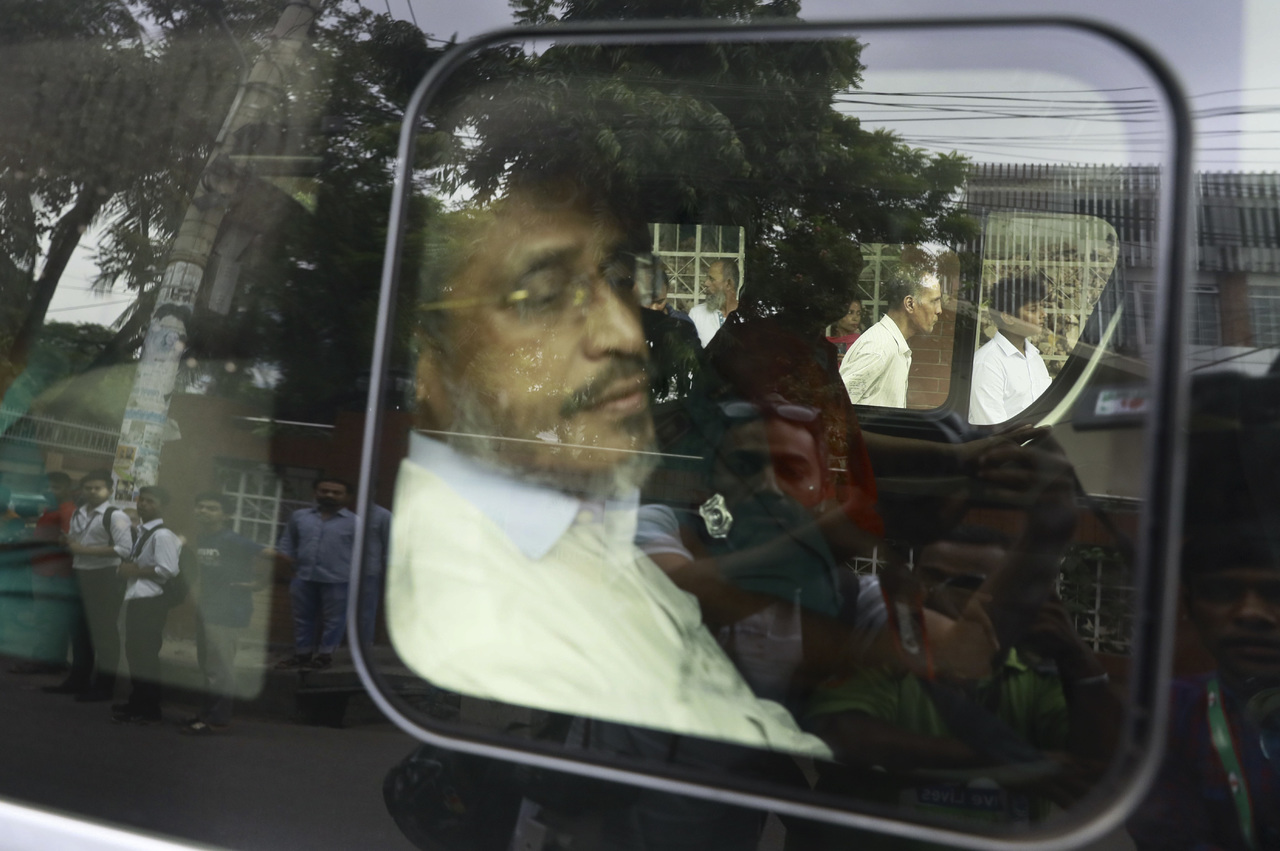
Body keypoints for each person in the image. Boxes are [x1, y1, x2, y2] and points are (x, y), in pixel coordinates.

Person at [387, 177, 829, 757]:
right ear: (433, 365)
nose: (625, 334)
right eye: (545, 297)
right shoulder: (481, 573)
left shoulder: (592, 523)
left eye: (620, 285)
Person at [806, 526, 1119, 831]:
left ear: (1012, 596)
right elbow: (846, 737)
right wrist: (1006, 761)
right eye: (931, 577)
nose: (939, 594)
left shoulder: (1033, 675)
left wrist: (1077, 659)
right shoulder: (885, 650)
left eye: (969, 583)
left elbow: (1096, 771)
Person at [1129, 369, 1280, 850]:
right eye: (1222, 591)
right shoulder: (1170, 713)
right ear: (1188, 604)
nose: (1251, 613)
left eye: (1276, 594)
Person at [45, 470, 134, 702]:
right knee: (79, 630)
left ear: (109, 491)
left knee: (104, 633)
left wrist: (85, 550)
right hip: (79, 574)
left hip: (105, 577)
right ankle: (78, 680)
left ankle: (104, 687)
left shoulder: (116, 516)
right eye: (88, 488)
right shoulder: (79, 512)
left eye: (98, 488)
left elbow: (125, 549)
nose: (93, 492)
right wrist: (67, 541)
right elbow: (75, 539)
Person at [183, 492, 265, 734]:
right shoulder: (204, 537)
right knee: (208, 666)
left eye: (212, 508)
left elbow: (267, 554)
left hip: (229, 612)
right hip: (208, 609)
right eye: (201, 506)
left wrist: (260, 583)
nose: (204, 511)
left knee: (220, 668)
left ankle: (218, 719)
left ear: (225, 515)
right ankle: (206, 713)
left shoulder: (232, 539)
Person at [112, 486, 182, 724]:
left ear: (162, 506)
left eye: (150, 501)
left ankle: (150, 709)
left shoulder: (162, 535)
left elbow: (168, 569)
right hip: (138, 598)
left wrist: (134, 571)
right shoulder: (144, 532)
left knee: (145, 656)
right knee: (135, 654)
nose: (143, 505)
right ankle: (137, 702)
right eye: (141, 500)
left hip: (152, 601)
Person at [274, 477, 357, 671]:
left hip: (338, 579)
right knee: (302, 617)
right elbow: (287, 542)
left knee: (334, 619)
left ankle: (325, 656)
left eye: (336, 492)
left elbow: (364, 552)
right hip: (302, 576)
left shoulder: (356, 523)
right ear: (315, 493)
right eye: (324, 491)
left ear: (347, 497)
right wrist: (286, 562)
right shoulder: (299, 517)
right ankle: (302, 654)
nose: (329, 495)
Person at [840, 267, 943, 407]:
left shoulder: (891, 345)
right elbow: (835, 406)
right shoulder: (879, 348)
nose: (939, 310)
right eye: (933, 301)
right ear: (910, 304)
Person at [11, 472, 77, 674]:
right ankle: (53, 661)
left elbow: (67, 542)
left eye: (56, 487)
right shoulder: (52, 508)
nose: (49, 491)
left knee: (47, 618)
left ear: (68, 489)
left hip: (53, 573)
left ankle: (43, 660)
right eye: (47, 487)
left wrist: (35, 542)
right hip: (43, 569)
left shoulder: (67, 511)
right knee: (50, 619)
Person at [968, 274, 1052, 425]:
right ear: (1008, 317)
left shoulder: (1034, 358)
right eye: (1033, 309)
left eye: (1041, 307)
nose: (1043, 314)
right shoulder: (987, 363)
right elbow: (992, 428)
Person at [357, 503, 392, 648]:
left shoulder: (382, 515)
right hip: (338, 571)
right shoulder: (342, 512)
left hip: (369, 572)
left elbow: (390, 545)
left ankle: (363, 647)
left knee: (366, 612)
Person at [688, 259, 739, 347]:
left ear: (728, 284)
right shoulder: (696, 314)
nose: (706, 283)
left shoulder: (748, 318)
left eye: (711, 279)